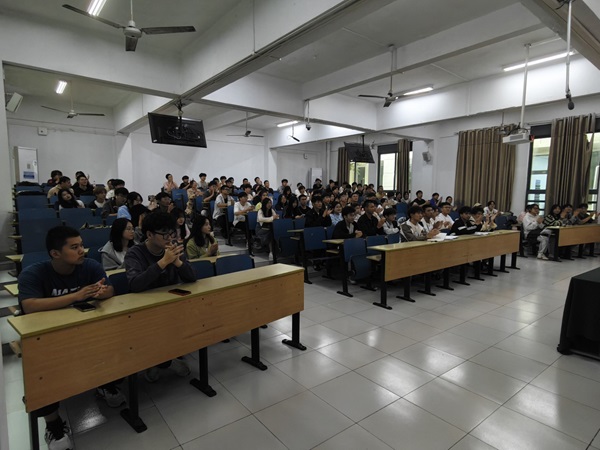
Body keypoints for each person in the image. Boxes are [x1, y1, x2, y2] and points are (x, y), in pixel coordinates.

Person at [18, 226, 119, 450]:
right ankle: (53, 425)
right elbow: (30, 305)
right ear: (55, 253)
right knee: (40, 371)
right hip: (48, 338)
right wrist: (77, 296)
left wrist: (102, 292)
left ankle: (105, 383)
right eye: (74, 247)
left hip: (85, 331)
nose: (82, 250)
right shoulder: (34, 273)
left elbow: (110, 290)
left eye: (81, 245)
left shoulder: (90, 266)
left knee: (113, 340)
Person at [124, 212, 196, 382]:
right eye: (164, 234)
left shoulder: (173, 248)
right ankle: (159, 361)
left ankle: (166, 359)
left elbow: (192, 276)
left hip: (171, 304)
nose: (169, 238)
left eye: (171, 233)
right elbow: (135, 284)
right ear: (149, 234)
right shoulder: (135, 253)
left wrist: (178, 262)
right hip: (145, 308)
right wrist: (163, 262)